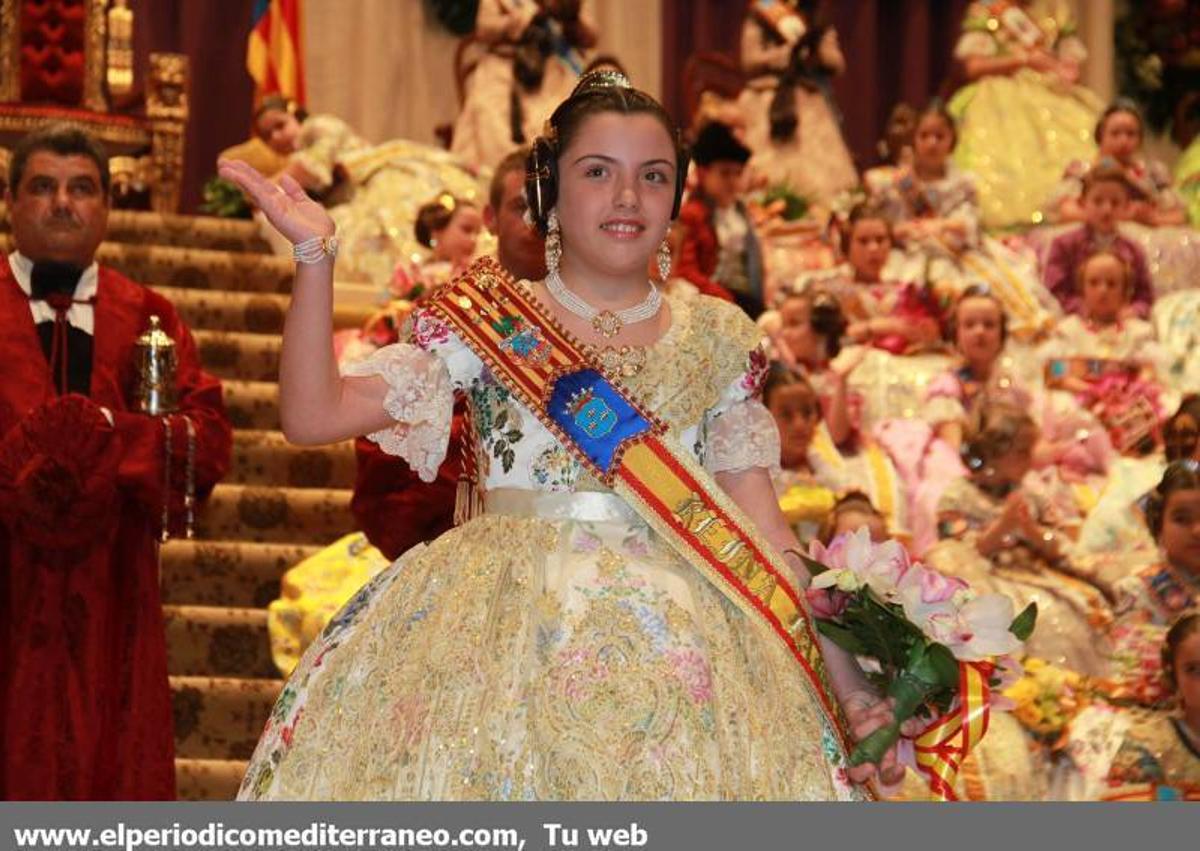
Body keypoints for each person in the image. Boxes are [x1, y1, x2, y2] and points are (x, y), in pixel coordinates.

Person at [222, 70, 907, 800]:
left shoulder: (719, 337)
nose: (626, 197)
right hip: (499, 639)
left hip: (692, 651)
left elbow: (767, 538)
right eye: (597, 172)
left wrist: (849, 684)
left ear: (677, 196)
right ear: (549, 189)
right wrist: (313, 258)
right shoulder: (490, 320)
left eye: (652, 176)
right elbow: (313, 415)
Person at [0, 125, 232, 799]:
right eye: (42, 187)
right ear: (12, 202)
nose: (62, 204)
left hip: (113, 590)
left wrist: (113, 438)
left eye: (82, 189)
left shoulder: (149, 315)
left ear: (106, 206)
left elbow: (207, 440)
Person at [270, 150, 548, 674]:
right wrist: (314, 256)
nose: (539, 221)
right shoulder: (462, 328)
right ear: (491, 219)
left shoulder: (683, 333)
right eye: (521, 205)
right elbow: (313, 418)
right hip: (475, 585)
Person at [927, 400, 1113, 675]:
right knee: (1034, 618)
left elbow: (1059, 543)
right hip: (988, 580)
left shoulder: (1030, 494)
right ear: (993, 454)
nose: (1031, 459)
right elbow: (955, 552)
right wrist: (1002, 526)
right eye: (1022, 452)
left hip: (1035, 573)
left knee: (1081, 607)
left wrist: (1033, 533)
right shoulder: (958, 495)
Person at [248, 95, 488, 289]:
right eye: (268, 136)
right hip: (362, 189)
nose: (277, 137)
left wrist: (259, 189)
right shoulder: (297, 156)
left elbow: (312, 166)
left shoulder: (317, 127)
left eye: (280, 125)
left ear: (296, 115)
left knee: (395, 225)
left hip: (379, 177)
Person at [870, 104, 1059, 338]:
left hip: (958, 254)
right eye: (925, 136)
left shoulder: (963, 183)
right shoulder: (896, 183)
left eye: (940, 136)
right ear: (913, 139)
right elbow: (883, 226)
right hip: (910, 255)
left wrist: (942, 226)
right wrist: (905, 230)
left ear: (952, 140)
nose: (932, 143)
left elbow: (967, 224)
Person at [947, 0, 1102, 230]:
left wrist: (1064, 70)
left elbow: (1071, 65)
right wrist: (1023, 60)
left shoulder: (1057, 9)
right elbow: (974, 67)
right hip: (999, 93)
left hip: (1053, 94)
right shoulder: (989, 8)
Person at [736, 0, 857, 207]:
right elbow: (749, 59)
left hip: (806, 96)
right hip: (765, 96)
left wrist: (816, 52)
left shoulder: (815, 19)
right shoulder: (763, 12)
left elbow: (836, 62)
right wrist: (777, 56)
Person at [450, 0, 597, 170]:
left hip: (549, 75)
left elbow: (591, 36)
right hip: (502, 72)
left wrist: (569, 18)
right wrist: (526, 18)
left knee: (566, 119)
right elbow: (484, 28)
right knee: (487, 119)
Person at [1041, 163, 1154, 318]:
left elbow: (1145, 296)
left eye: (1115, 203)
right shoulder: (1063, 245)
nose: (1106, 210)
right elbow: (1054, 290)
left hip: (1121, 323)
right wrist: (1083, 309)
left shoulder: (1133, 250)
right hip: (1076, 321)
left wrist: (1134, 310)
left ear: (1126, 207)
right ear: (1083, 203)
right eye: (1098, 201)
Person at [674, 121, 761, 312]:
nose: (732, 181)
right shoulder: (692, 215)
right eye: (724, 173)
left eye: (737, 174)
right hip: (712, 299)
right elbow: (685, 270)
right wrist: (724, 298)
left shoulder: (739, 211)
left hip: (741, 295)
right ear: (704, 173)